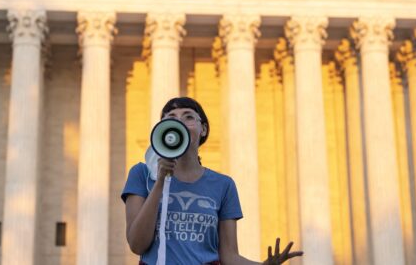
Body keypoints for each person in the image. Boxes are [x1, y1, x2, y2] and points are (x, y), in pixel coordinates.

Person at [122, 96, 303, 265]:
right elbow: (137, 244)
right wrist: (161, 181)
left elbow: (229, 255)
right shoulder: (142, 174)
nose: (179, 122)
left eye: (188, 117)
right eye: (171, 117)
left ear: (204, 129)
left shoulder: (223, 185)